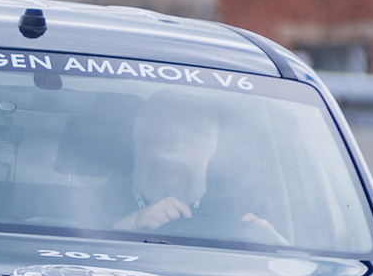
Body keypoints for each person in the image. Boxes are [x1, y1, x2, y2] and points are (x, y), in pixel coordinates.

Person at [80, 90, 285, 243]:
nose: (176, 146)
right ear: (139, 137)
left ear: (211, 147)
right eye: (162, 129)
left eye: (193, 133)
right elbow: (70, 261)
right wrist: (131, 225)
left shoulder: (243, 208)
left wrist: (271, 242)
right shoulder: (88, 204)